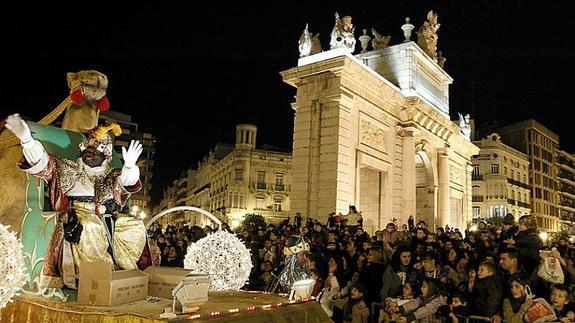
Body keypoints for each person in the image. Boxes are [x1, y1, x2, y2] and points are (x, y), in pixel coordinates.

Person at [5, 114, 148, 289]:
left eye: (96, 149)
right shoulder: (67, 167)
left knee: (136, 226)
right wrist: (27, 141)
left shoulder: (112, 175)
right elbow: (42, 163)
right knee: (90, 227)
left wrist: (130, 166)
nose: (90, 151)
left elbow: (127, 182)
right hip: (76, 213)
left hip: (108, 217)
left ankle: (124, 272)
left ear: (106, 155)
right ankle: (100, 277)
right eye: (87, 148)